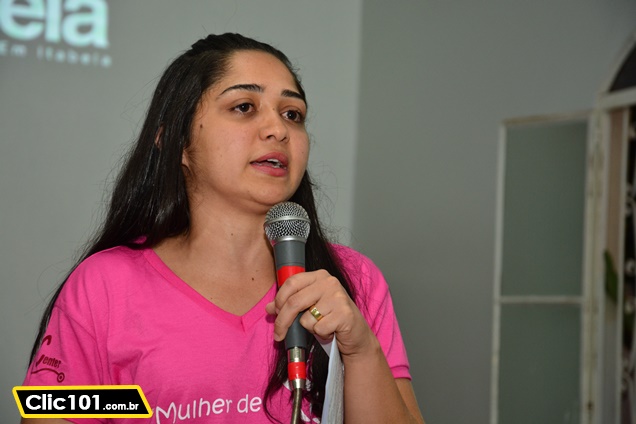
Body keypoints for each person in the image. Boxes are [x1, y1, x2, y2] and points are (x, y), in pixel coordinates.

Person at [20, 33, 425, 424]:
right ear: (176, 141)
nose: (278, 130)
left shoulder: (353, 281)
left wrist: (360, 351)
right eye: (244, 107)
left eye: (293, 114)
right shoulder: (106, 286)